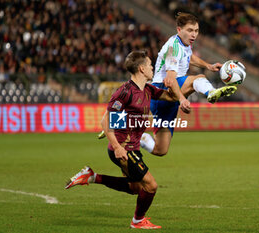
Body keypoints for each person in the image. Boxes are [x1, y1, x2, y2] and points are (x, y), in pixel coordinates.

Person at [65, 51, 180, 229]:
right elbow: (106, 121)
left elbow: (171, 97)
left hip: (133, 146)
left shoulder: (148, 90)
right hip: (124, 149)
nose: (153, 68)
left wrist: (172, 82)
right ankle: (138, 221)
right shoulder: (125, 92)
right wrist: (118, 147)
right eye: (150, 65)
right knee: (150, 185)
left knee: (135, 188)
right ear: (141, 69)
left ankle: (92, 177)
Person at [139, 12, 237, 156]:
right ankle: (211, 93)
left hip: (169, 99)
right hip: (162, 91)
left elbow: (189, 57)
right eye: (190, 30)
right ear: (179, 30)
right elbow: (170, 80)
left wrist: (208, 65)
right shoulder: (173, 47)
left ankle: (139, 138)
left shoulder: (184, 44)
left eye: (196, 31)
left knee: (161, 150)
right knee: (198, 78)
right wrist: (182, 99)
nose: (194, 35)